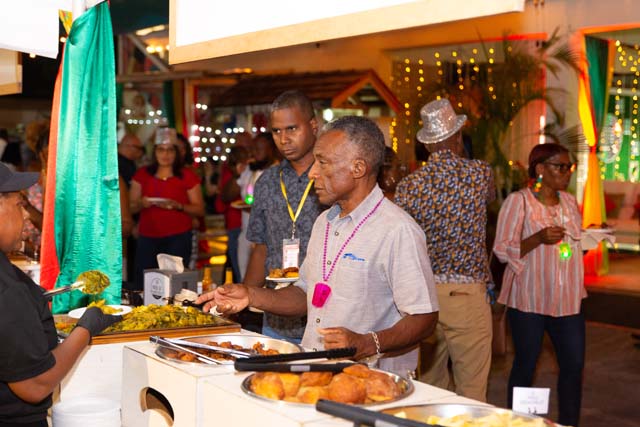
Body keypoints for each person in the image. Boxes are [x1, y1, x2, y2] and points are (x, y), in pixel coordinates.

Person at [197, 116, 439, 376]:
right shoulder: (324, 221)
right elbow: (305, 293)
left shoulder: (397, 230)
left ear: (358, 168)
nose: (312, 173)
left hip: (369, 378)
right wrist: (251, 295)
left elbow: (424, 318)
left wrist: (367, 343)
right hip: (315, 370)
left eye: (322, 163)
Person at [0, 163, 121, 426]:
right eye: (19, 205)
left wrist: (32, 300)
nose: (27, 215)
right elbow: (35, 385)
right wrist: (85, 329)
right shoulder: (8, 290)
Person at [395, 99, 495, 402]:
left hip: (424, 298)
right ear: (457, 136)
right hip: (467, 296)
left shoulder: (409, 186)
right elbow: (490, 199)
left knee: (429, 390)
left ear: (427, 145)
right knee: (472, 392)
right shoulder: (480, 174)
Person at [493, 142, 584, 427]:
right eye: (560, 166)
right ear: (541, 169)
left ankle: (569, 423)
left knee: (573, 366)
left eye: (569, 167)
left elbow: (574, 244)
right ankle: (519, 423)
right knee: (526, 365)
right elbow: (501, 249)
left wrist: (592, 239)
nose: (567, 172)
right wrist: (537, 239)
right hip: (529, 299)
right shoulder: (519, 202)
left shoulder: (570, 202)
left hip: (568, 299)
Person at [241, 90, 325, 343]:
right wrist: (244, 297)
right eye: (276, 131)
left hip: (326, 321)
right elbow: (260, 248)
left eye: (292, 129)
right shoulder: (267, 181)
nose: (284, 139)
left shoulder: (332, 178)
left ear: (313, 126)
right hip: (276, 321)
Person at [129, 128, 205, 291]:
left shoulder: (187, 176)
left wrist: (179, 206)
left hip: (178, 237)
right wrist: (141, 203)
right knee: (145, 283)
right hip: (147, 237)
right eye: (161, 150)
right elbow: (130, 207)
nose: (165, 154)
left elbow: (199, 209)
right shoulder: (142, 175)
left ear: (176, 153)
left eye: (170, 150)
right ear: (154, 152)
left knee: (175, 285)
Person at [237, 132, 280, 279]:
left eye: (259, 149)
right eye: (253, 149)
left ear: (271, 150)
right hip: (246, 233)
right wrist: (238, 172)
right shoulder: (250, 169)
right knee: (244, 276)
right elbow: (227, 195)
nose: (254, 153)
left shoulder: (279, 173)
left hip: (268, 237)